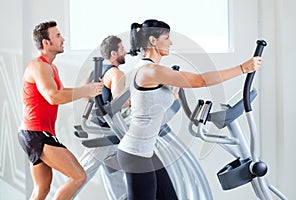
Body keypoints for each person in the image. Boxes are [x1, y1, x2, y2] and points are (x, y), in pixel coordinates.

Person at [117, 19, 262, 200]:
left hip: (145, 152)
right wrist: (242, 68)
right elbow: (200, 80)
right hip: (135, 154)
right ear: (153, 41)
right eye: (167, 38)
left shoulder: (151, 71)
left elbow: (150, 105)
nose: (171, 43)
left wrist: (173, 94)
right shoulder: (150, 70)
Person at [18, 20, 103, 200]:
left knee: (41, 189)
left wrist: (87, 90)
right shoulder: (38, 66)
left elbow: (62, 92)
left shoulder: (51, 67)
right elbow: (53, 96)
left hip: (35, 133)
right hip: (36, 133)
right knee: (78, 176)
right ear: (46, 43)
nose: (63, 39)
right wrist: (86, 90)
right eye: (57, 36)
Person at [73, 35, 128, 200]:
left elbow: (85, 95)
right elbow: (119, 103)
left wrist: (99, 104)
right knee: (82, 173)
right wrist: (134, 102)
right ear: (113, 53)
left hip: (101, 127)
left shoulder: (94, 72)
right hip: (104, 130)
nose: (125, 52)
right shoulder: (117, 74)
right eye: (122, 49)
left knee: (115, 174)